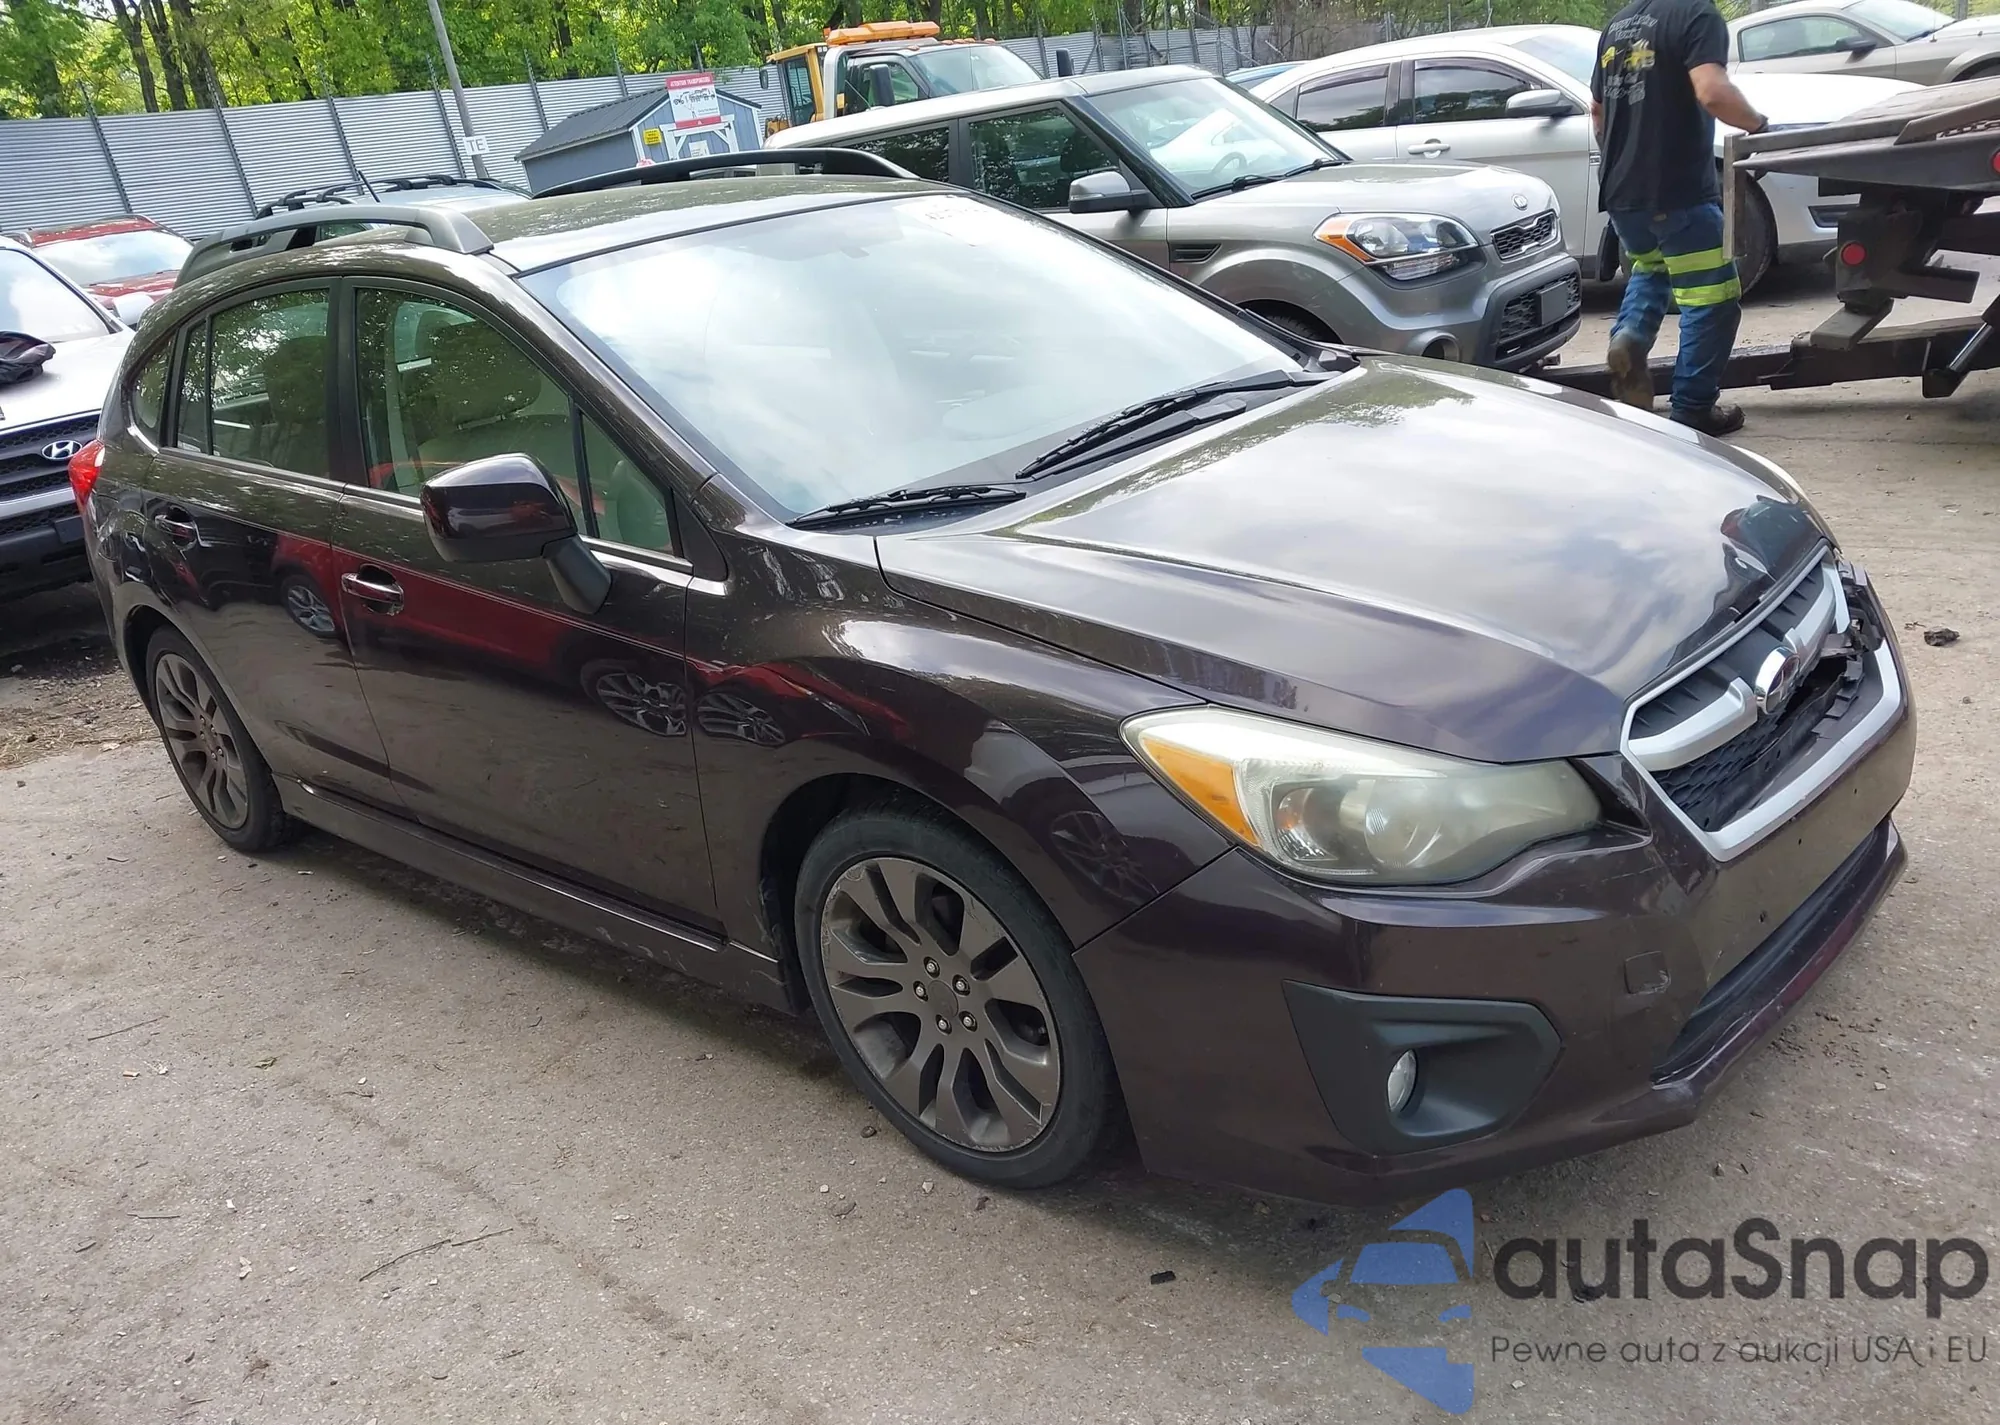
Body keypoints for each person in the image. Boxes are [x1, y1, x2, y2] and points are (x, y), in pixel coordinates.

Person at [1592, 0, 1769, 435]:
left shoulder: (1619, 23)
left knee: (1653, 267)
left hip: (1621, 191)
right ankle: (1693, 411)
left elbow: (1597, 111)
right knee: (1712, 301)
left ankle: (1630, 336)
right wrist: (1760, 127)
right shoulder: (1696, 15)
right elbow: (1712, 91)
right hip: (1676, 191)